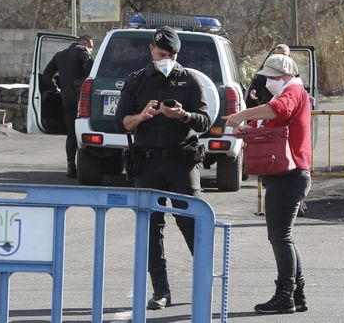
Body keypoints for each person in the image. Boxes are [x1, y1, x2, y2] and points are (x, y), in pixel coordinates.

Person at [114, 26, 211, 310]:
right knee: (151, 228)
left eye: (169, 55)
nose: (164, 59)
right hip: (147, 164)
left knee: (191, 223)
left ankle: (204, 285)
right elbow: (120, 123)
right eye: (160, 54)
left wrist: (183, 115)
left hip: (181, 162)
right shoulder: (136, 81)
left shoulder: (189, 80)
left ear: (177, 54)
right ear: (151, 51)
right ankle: (161, 290)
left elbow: (205, 121)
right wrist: (142, 116)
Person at [226, 53, 312, 314]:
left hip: (289, 175)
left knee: (280, 237)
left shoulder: (293, 90)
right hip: (288, 175)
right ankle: (297, 295)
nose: (268, 82)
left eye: (273, 78)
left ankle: (285, 296)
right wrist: (246, 127)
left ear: (286, 76)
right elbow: (270, 122)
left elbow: (279, 110)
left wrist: (241, 115)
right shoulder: (287, 91)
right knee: (284, 237)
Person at [42, 35, 94, 178]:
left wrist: (55, 89)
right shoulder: (83, 50)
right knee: (87, 127)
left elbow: (46, 75)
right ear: (84, 42)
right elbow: (91, 69)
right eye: (91, 47)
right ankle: (88, 163)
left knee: (71, 131)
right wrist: (86, 82)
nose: (91, 50)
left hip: (66, 96)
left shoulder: (59, 55)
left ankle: (71, 164)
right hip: (82, 97)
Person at [247, 43, 290, 108]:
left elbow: (297, 85)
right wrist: (253, 90)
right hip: (268, 104)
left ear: (289, 56)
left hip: (285, 104)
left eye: (283, 55)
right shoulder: (268, 67)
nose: (280, 57)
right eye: (277, 55)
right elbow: (256, 84)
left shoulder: (292, 70)